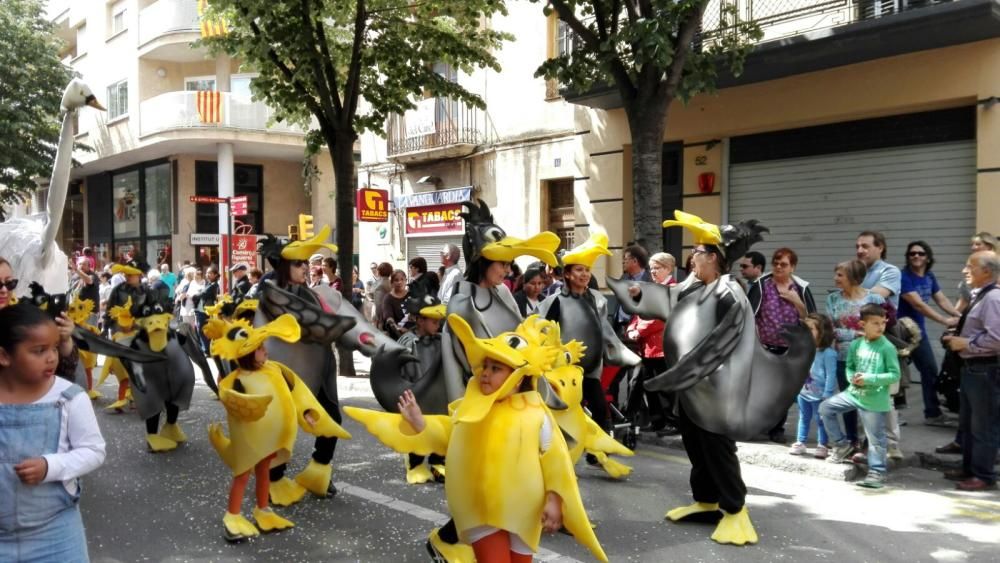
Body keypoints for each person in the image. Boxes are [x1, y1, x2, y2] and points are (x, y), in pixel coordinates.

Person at [346, 315, 608, 563]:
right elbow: (451, 434)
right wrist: (419, 422)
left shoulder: (536, 412)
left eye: (496, 368)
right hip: (482, 509)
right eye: (485, 366)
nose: (485, 373)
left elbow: (555, 460)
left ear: (517, 379)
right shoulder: (471, 407)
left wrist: (554, 498)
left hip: (525, 510)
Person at [203, 313, 348, 541]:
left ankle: (263, 510)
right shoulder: (237, 380)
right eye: (260, 348)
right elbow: (232, 402)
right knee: (241, 476)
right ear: (249, 354)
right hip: (250, 441)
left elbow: (296, 393)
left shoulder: (275, 369)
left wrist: (308, 414)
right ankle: (232, 516)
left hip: (271, 439)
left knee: (264, 472)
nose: (265, 350)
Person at [0, 304, 106, 561]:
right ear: (4, 356)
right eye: (39, 351)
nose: (51, 358)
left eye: (55, 348)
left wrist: (51, 466)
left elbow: (94, 451)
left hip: (56, 532)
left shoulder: (69, 397)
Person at [820, 304, 900, 489]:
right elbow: (850, 366)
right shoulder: (856, 344)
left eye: (883, 323)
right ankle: (841, 445)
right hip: (854, 393)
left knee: (876, 439)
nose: (880, 327)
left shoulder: (887, 347)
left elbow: (895, 375)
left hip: (874, 400)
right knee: (826, 408)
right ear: (862, 324)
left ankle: (877, 472)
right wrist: (851, 378)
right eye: (875, 323)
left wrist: (869, 378)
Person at [942, 250, 1000, 491]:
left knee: (983, 425)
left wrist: (966, 344)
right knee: (967, 424)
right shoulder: (981, 295)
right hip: (972, 369)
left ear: (986, 271)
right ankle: (969, 469)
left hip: (985, 370)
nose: (965, 271)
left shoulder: (994, 298)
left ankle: (983, 475)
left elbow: (997, 339)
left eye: (970, 267)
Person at [746, 248, 818, 442]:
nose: (778, 267)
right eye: (776, 263)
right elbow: (749, 315)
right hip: (764, 347)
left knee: (783, 392)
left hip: (790, 350)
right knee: (761, 388)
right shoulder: (762, 285)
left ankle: (777, 428)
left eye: (783, 264)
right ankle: (759, 425)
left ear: (792, 267)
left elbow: (811, 319)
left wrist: (797, 302)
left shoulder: (800, 289)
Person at [897, 241, 962, 425]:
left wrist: (960, 316)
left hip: (918, 332)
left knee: (929, 370)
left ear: (928, 257)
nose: (916, 256)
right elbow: (918, 304)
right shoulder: (904, 277)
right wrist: (945, 321)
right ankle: (890, 415)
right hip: (901, 333)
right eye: (912, 254)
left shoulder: (929, 276)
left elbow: (941, 299)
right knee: (896, 374)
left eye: (920, 253)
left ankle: (932, 413)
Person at [825, 260, 885, 451]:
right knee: (848, 400)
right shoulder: (833, 299)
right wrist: (854, 334)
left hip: (870, 358)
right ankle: (852, 440)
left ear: (853, 277)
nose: (836, 279)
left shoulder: (874, 300)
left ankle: (871, 441)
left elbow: (883, 326)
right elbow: (829, 330)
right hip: (843, 357)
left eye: (840, 275)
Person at [0, 258, 80, 382]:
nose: (4, 290)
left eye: (10, 283)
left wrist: (65, 341)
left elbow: (63, 373)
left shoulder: (24, 317)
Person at [626, 251, 679, 435]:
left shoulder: (672, 289)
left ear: (668, 268)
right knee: (650, 385)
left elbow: (660, 317)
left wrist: (639, 331)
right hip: (648, 346)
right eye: (651, 268)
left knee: (665, 387)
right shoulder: (650, 288)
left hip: (664, 346)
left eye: (657, 268)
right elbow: (637, 312)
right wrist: (632, 328)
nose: (653, 272)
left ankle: (671, 422)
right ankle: (657, 422)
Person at [789, 314, 838, 458]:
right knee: (803, 417)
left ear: (822, 332)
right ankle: (800, 442)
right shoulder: (804, 349)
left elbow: (831, 375)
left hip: (820, 395)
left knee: (820, 419)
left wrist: (827, 394)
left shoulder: (828, 353)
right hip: (803, 392)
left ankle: (822, 444)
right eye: (805, 328)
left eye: (811, 328)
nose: (807, 332)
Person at [856, 231, 901, 309]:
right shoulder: (855, 272)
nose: (859, 251)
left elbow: (872, 299)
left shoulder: (890, 271)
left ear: (880, 248)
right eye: (857, 247)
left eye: (865, 246)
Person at [954, 232, 997, 313]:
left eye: (978, 244)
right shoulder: (974, 260)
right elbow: (963, 300)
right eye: (973, 244)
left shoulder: (996, 263)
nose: (973, 247)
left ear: (989, 246)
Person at [615, 244, 652, 331]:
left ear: (635, 261)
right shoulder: (623, 277)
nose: (623, 262)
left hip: (638, 329)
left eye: (625, 259)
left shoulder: (650, 280)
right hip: (619, 327)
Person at [380, 269, 409, 338]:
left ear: (406, 281)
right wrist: (396, 327)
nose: (399, 282)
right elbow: (388, 317)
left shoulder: (412, 295)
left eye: (402, 279)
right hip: (397, 335)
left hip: (414, 332)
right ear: (392, 283)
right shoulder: (388, 299)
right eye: (396, 280)